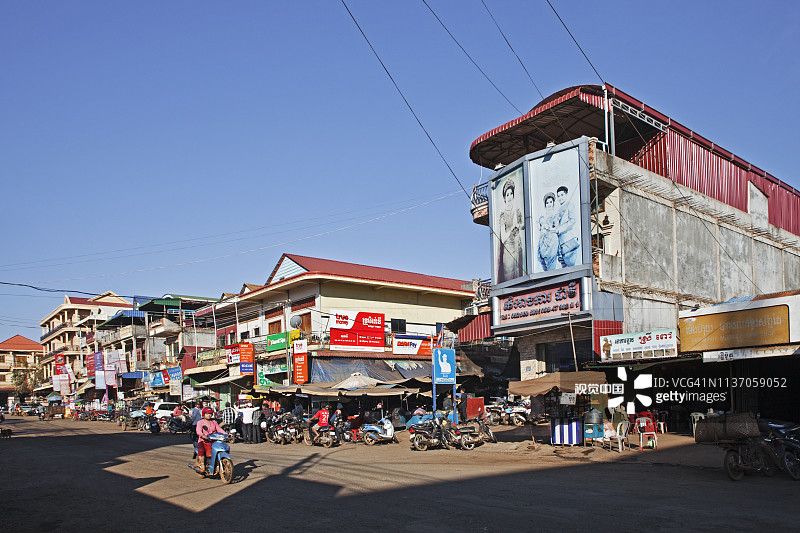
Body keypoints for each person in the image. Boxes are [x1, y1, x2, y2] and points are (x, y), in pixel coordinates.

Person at [497, 177, 524, 283]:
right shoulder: (503, 215)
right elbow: (503, 238)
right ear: (504, 197)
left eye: (511, 194)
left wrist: (519, 225)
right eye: (507, 194)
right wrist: (513, 226)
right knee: (509, 279)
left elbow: (523, 225)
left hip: (518, 248)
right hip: (508, 250)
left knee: (520, 278)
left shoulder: (517, 212)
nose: (509, 197)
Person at [195, 407, 227, 473]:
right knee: (201, 450)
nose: (209, 415)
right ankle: (202, 465)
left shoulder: (214, 422)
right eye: (207, 414)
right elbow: (198, 431)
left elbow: (219, 429)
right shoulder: (200, 422)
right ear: (203, 414)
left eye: (210, 414)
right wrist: (203, 435)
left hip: (213, 440)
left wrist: (226, 434)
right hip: (203, 440)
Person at [555, 185, 580, 267]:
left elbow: (573, 220)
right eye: (558, 196)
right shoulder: (558, 209)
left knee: (570, 264)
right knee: (564, 266)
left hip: (569, 239)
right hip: (560, 242)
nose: (560, 198)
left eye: (562, 195)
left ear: (566, 194)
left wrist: (560, 229)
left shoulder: (570, 205)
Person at [538, 192, 559, 271]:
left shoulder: (555, 215)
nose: (549, 204)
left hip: (552, 241)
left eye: (550, 202)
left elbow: (556, 229)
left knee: (551, 261)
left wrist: (548, 228)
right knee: (542, 259)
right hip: (543, 240)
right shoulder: (542, 216)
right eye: (547, 203)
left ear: (553, 203)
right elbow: (539, 227)